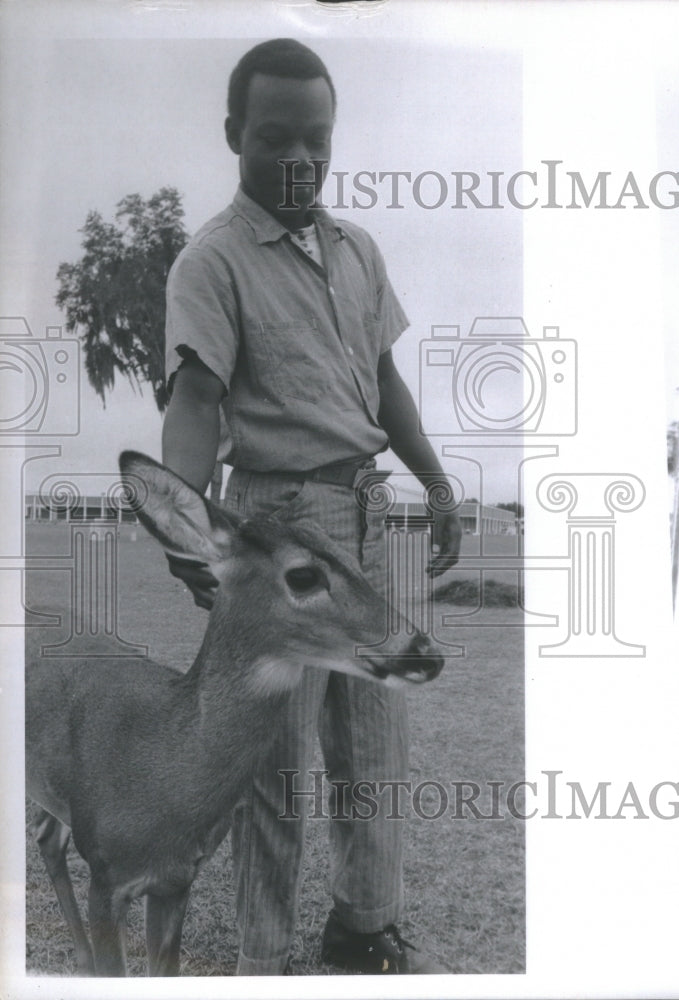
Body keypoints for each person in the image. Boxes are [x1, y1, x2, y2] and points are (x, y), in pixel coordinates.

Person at [161, 37, 461, 976]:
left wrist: (437, 479)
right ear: (234, 136)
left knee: (377, 747)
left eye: (317, 141)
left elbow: (382, 379)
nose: (300, 161)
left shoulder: (357, 250)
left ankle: (364, 928)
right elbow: (198, 398)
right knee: (277, 770)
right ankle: (261, 962)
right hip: (279, 526)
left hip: (365, 512)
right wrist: (180, 508)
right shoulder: (209, 263)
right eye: (276, 138)